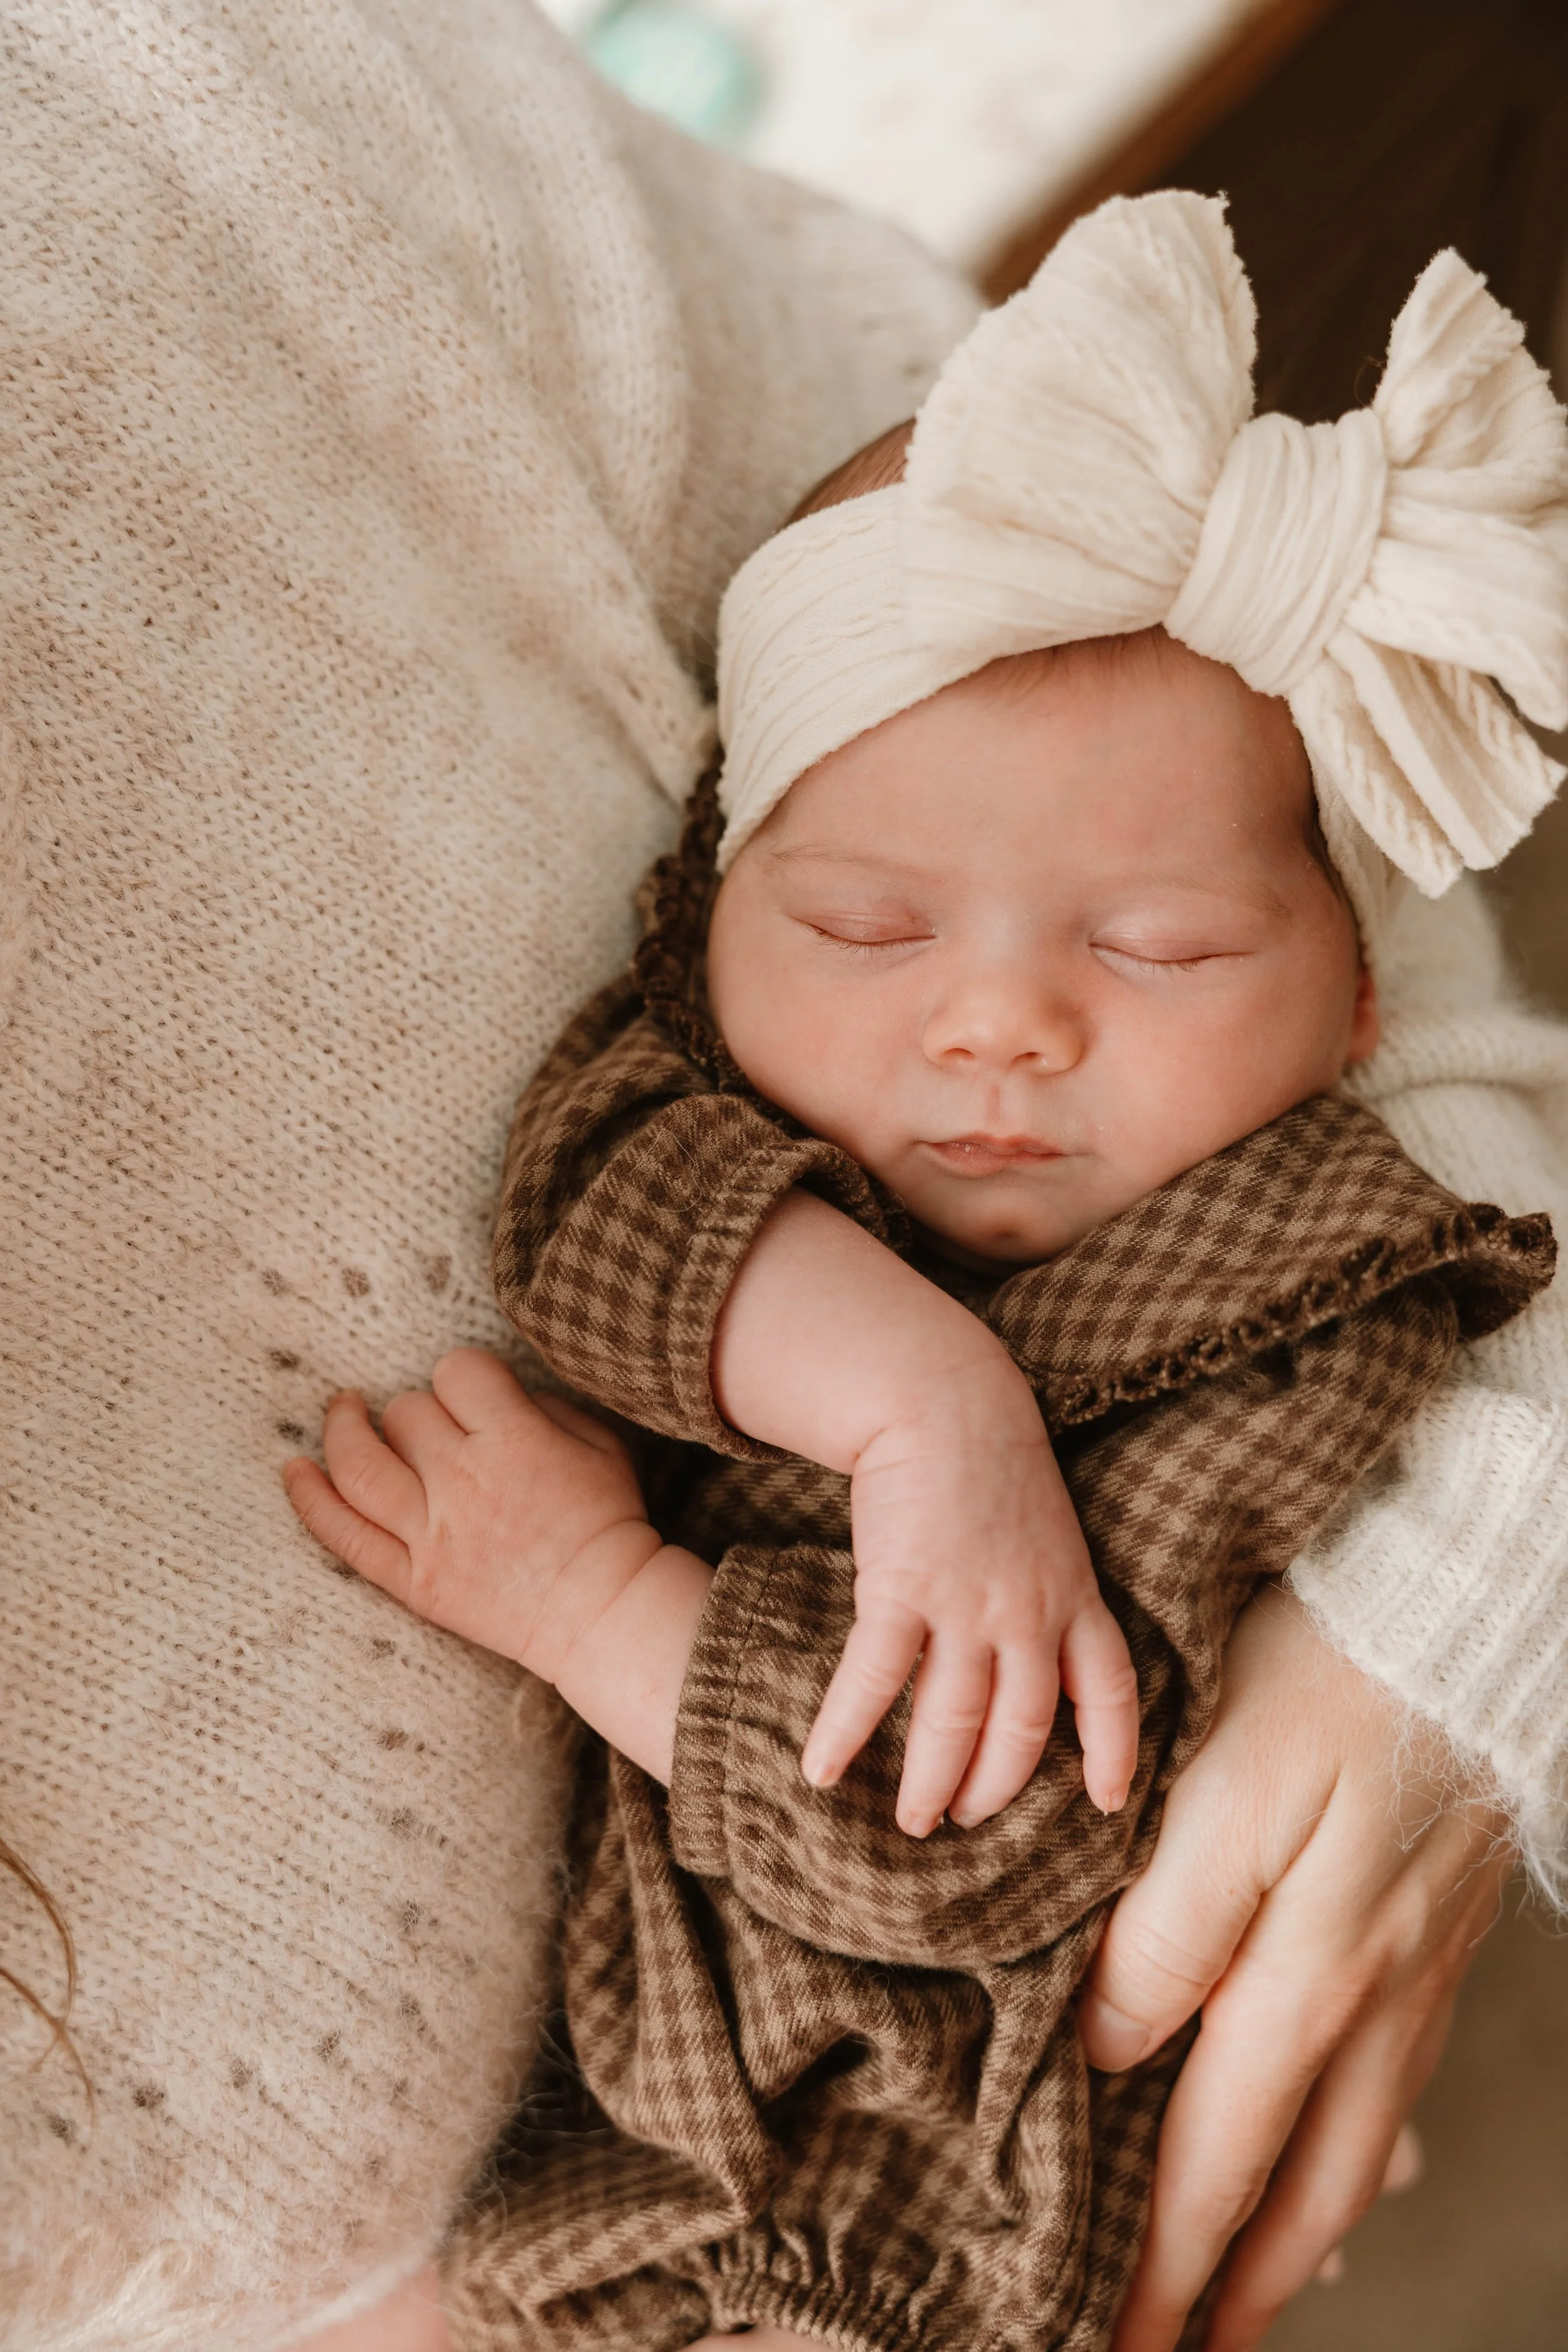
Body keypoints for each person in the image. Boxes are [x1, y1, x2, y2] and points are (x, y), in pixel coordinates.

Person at [284, 194, 1568, 2351]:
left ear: (1359, 1007)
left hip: (909, 2209)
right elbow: (598, 1194)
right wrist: (910, 1392)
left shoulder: (1293, 1321)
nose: (994, 1026)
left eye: (1155, 950)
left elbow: (973, 1847)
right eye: (868, 930)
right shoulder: (741, 1090)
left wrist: (595, 1603)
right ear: (707, 905)